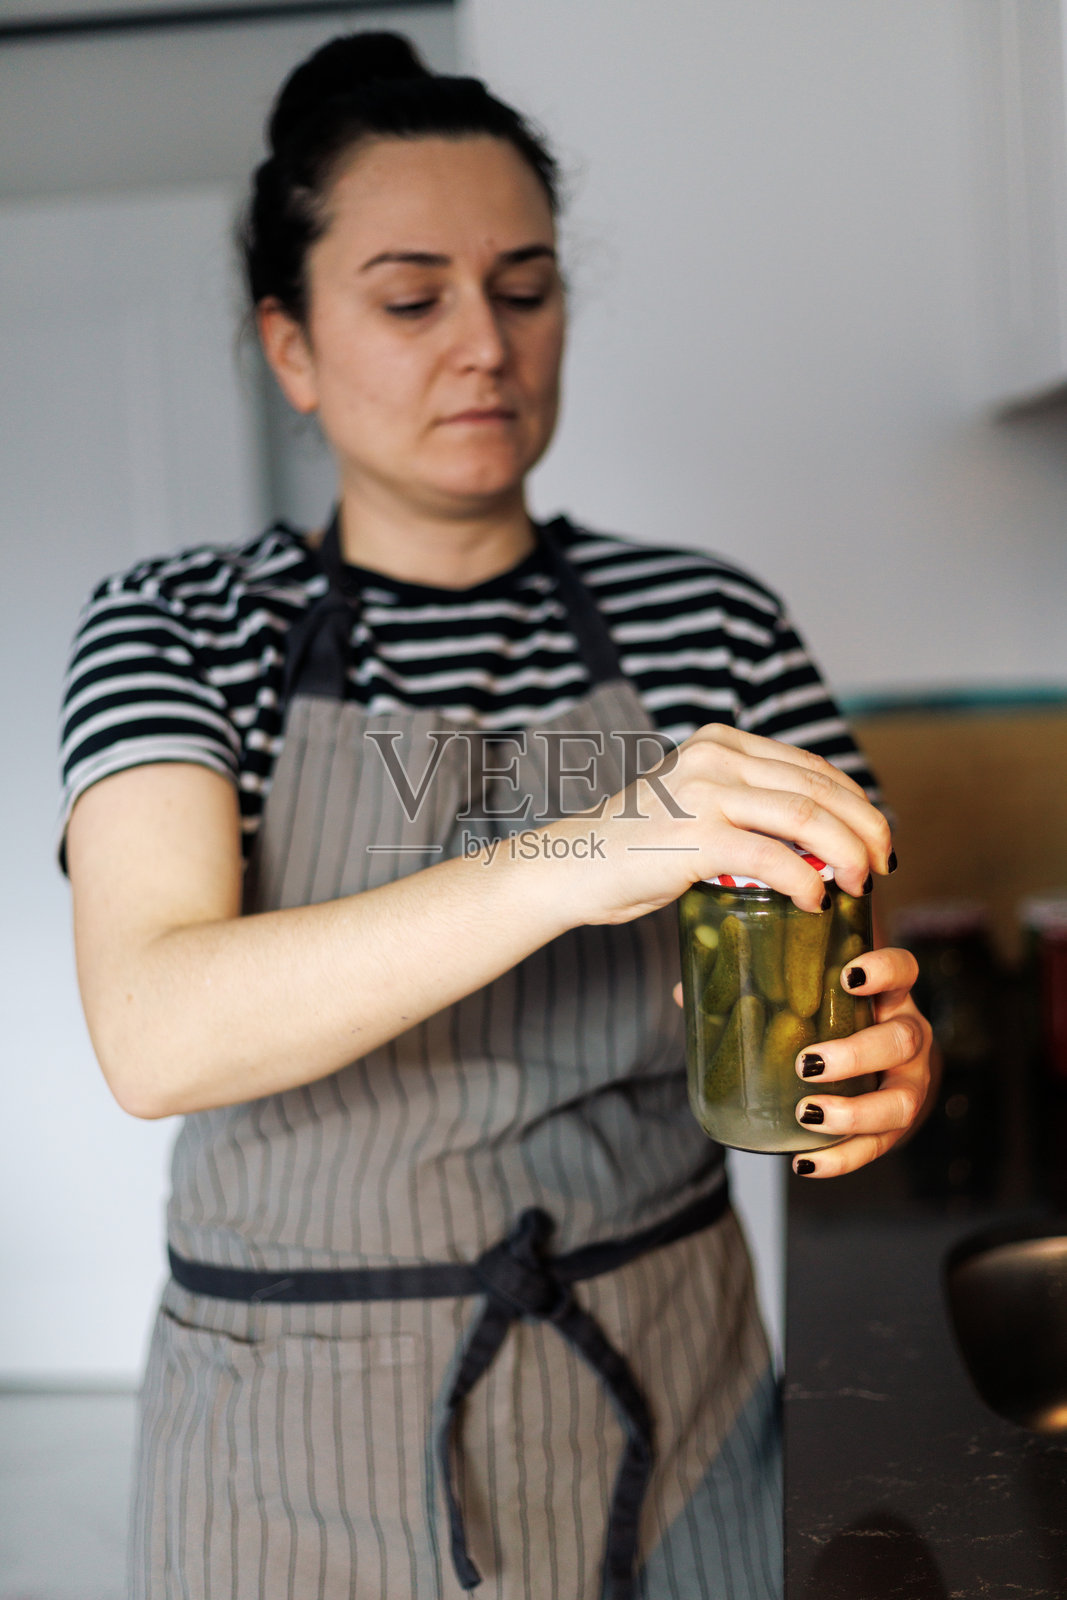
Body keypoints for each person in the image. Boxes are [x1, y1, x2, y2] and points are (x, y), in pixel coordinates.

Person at [59, 31, 933, 1600]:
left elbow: (830, 977)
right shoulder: (184, 627)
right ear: (293, 347)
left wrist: (876, 1067)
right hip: (294, 1445)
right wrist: (582, 848)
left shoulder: (707, 627)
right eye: (411, 299)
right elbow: (154, 1024)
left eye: (525, 290)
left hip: (674, 1406)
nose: (486, 345)